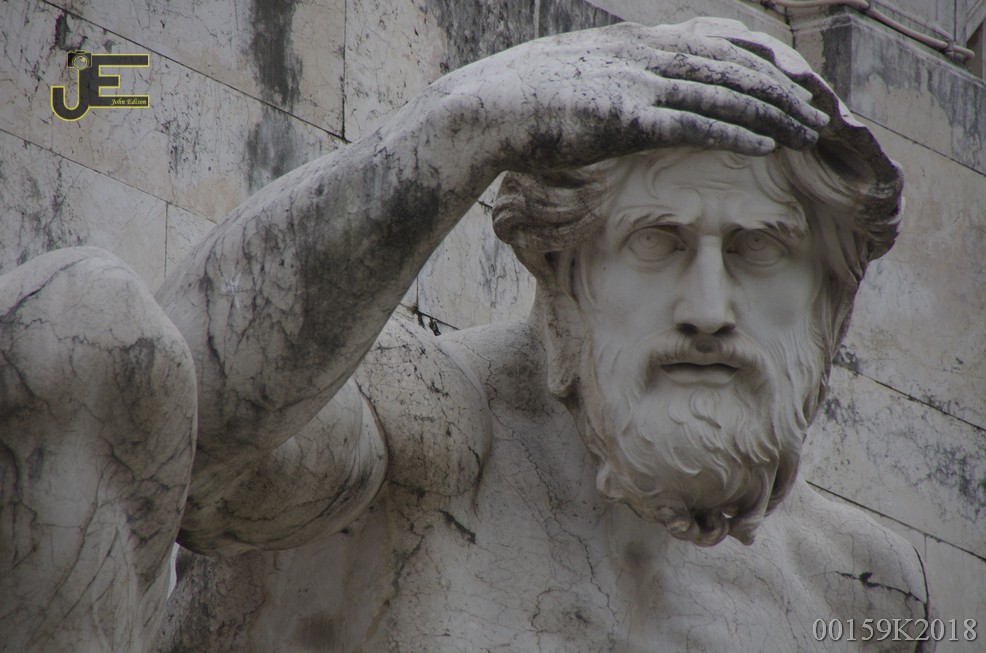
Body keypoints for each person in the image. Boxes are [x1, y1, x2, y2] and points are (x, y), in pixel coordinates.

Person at [1, 18, 930, 653]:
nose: (709, 307)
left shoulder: (866, 592)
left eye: (761, 249)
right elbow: (175, 429)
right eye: (658, 241)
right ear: (562, 265)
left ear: (830, 299)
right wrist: (458, 124)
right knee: (76, 315)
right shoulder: (422, 428)